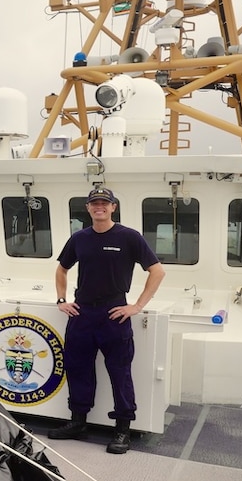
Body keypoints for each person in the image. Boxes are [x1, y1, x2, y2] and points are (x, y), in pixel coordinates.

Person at [50, 186, 166, 454]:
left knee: (120, 372)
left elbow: (157, 271)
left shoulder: (129, 237)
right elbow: (61, 269)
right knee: (78, 368)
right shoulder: (79, 238)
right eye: (94, 203)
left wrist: (136, 306)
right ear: (88, 208)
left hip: (114, 313)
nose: (99, 207)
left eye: (105, 203)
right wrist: (61, 300)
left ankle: (122, 430)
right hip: (81, 313)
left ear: (113, 207)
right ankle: (78, 422)